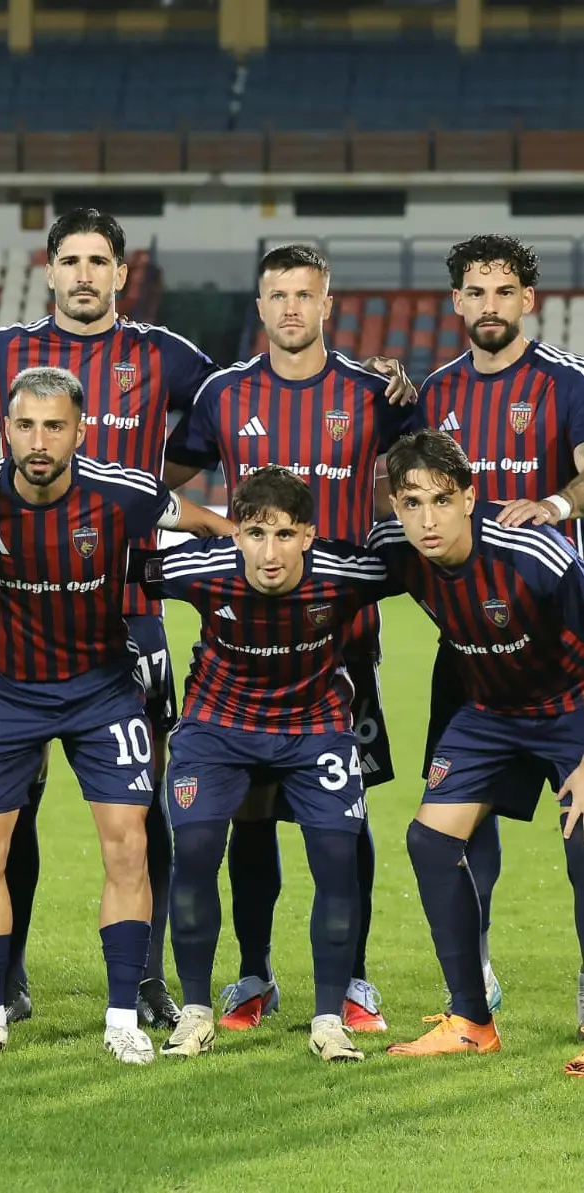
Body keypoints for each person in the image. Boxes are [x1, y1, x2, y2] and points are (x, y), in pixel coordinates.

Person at [0, 210, 412, 1030]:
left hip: (133, 613)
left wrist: (367, 376)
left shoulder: (168, 357)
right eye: (71, 260)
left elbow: (247, 391)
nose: (85, 274)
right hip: (27, 609)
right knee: (10, 802)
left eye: (99, 260)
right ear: (49, 269)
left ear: (121, 274)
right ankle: (9, 975)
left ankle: (151, 980)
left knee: (151, 802)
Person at [0, 366, 233, 1064]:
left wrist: (252, 546)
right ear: (6, 429)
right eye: (26, 425)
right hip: (5, 693)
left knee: (128, 841)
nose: (39, 441)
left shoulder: (121, 492)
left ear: (79, 430)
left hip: (101, 692)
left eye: (55, 426)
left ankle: (122, 1016)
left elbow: (201, 521)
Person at [166, 243, 420, 1032]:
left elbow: (423, 475)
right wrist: (217, 530)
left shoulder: (370, 392)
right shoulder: (223, 392)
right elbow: (160, 483)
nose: (287, 309)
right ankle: (250, 974)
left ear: (325, 301)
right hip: (241, 643)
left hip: (346, 640)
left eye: (301, 294)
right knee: (246, 810)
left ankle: (353, 980)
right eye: (274, 294)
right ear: (259, 302)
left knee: (347, 815)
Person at [136, 465, 395, 1064]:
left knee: (337, 862)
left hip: (317, 730)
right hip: (217, 728)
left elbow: (429, 569)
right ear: (237, 535)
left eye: (283, 535)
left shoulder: (348, 571)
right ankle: (196, 1011)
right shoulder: (198, 568)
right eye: (254, 534)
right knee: (196, 853)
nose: (268, 552)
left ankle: (329, 1019)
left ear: (308, 535)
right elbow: (114, 572)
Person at [366, 430, 584, 1074]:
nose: (426, 519)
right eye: (410, 503)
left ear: (469, 496)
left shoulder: (534, 552)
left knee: (583, 845)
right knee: (431, 842)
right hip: (490, 712)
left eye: (440, 500)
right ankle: (471, 1019)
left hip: (572, 707)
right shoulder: (396, 550)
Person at [417, 234, 584, 1016]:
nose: (488, 305)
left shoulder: (564, 382)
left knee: (579, 834)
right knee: (457, 819)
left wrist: (554, 504)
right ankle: (474, 971)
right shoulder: (435, 393)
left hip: (556, 636)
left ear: (527, 300)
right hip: (467, 647)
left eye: (502, 291)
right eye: (474, 292)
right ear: (455, 303)